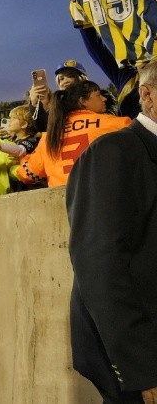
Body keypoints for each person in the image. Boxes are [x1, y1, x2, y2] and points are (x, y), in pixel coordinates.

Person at [65, 60, 157, 403]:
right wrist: (144, 367)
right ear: (146, 95)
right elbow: (99, 263)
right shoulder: (113, 151)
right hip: (141, 358)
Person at [17, 80, 131, 187]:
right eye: (98, 95)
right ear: (83, 101)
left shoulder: (51, 134)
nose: (104, 99)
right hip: (108, 198)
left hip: (65, 203)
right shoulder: (118, 124)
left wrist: (22, 156)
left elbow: (27, 174)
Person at [29, 60, 118, 133]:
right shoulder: (58, 103)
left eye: (71, 76)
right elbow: (43, 127)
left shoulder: (102, 95)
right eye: (61, 79)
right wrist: (36, 104)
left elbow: (112, 117)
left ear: (83, 78)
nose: (65, 81)